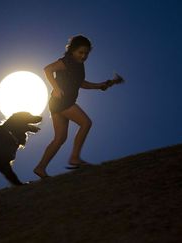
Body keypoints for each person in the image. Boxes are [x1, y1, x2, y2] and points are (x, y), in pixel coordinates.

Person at [33, 35, 120, 178]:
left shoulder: (79, 66)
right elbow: (47, 69)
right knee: (86, 123)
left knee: (60, 138)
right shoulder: (66, 61)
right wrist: (55, 87)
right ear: (72, 50)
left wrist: (99, 86)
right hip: (62, 102)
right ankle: (75, 158)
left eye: (86, 53)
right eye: (81, 52)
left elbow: (81, 83)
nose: (84, 56)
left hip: (58, 103)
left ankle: (40, 168)